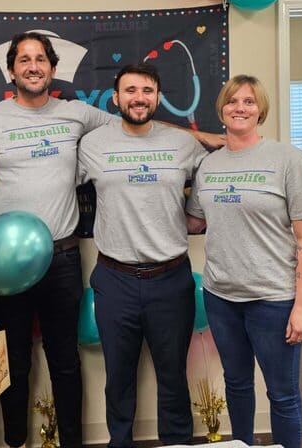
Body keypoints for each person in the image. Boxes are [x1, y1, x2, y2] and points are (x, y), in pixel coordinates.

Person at [0, 32, 225, 448]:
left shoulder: (77, 113)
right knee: (14, 360)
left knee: (64, 360)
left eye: (41, 59)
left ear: (53, 69)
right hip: (6, 265)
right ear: (11, 71)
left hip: (61, 256)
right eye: (24, 60)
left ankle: (73, 442)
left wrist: (209, 139)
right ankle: (18, 441)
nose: (33, 66)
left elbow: (139, 122)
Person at [186, 75, 302, 448]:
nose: (240, 108)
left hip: (273, 299)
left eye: (249, 101)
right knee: (237, 384)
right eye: (232, 101)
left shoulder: (288, 159)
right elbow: (194, 221)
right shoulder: (209, 167)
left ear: (261, 110)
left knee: (283, 394)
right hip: (221, 296)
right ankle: (240, 444)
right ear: (222, 109)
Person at [77, 63, 207, 447]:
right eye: (130, 90)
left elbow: (214, 177)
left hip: (171, 279)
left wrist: (195, 215)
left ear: (158, 97)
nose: (139, 98)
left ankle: (177, 443)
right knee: (119, 378)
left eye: (147, 90)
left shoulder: (183, 144)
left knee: (172, 376)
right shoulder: (93, 144)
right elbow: (49, 181)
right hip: (115, 279)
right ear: (116, 98)